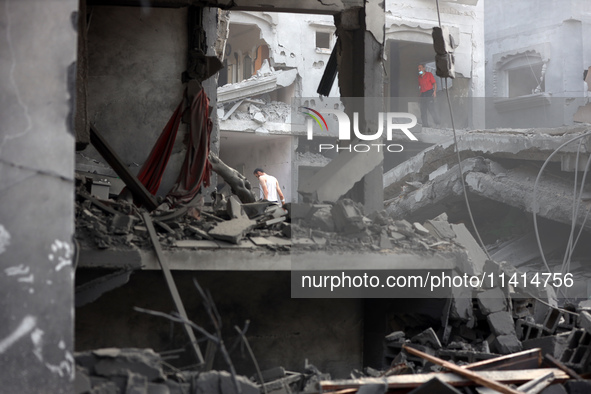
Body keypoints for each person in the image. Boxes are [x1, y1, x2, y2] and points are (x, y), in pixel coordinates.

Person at [418, 63, 440, 128]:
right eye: (418, 68)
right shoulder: (419, 77)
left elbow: (434, 83)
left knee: (431, 109)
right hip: (423, 94)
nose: (419, 69)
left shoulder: (429, 74)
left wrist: (435, 92)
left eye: (420, 68)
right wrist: (419, 96)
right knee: (423, 110)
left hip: (429, 92)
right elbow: (420, 87)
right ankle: (425, 125)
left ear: (424, 68)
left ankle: (437, 123)